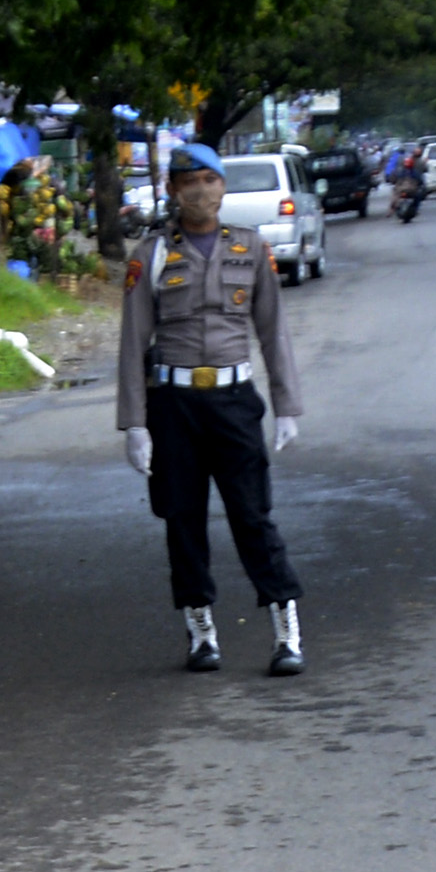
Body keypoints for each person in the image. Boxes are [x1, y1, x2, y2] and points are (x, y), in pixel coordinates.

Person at [116, 141, 306, 676]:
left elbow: (274, 332)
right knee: (183, 520)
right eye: (189, 182)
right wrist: (134, 423)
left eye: (210, 179)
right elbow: (133, 342)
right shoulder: (149, 255)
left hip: (234, 401)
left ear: (223, 186)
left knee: (253, 517)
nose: (201, 190)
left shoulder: (250, 249)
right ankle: (201, 632)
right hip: (173, 405)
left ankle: (285, 631)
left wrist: (286, 405)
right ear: (174, 192)